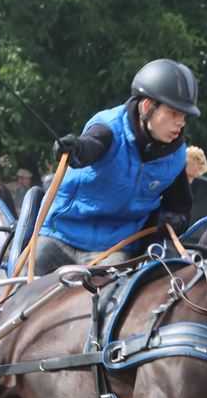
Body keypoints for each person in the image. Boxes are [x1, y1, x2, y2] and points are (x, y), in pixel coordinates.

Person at [34, 59, 197, 274]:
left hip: (115, 247)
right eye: (173, 114)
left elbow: (181, 206)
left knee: (111, 293)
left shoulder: (176, 157)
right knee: (30, 283)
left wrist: (177, 220)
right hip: (60, 233)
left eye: (184, 116)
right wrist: (77, 149)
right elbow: (92, 144)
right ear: (148, 106)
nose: (180, 123)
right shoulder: (109, 127)